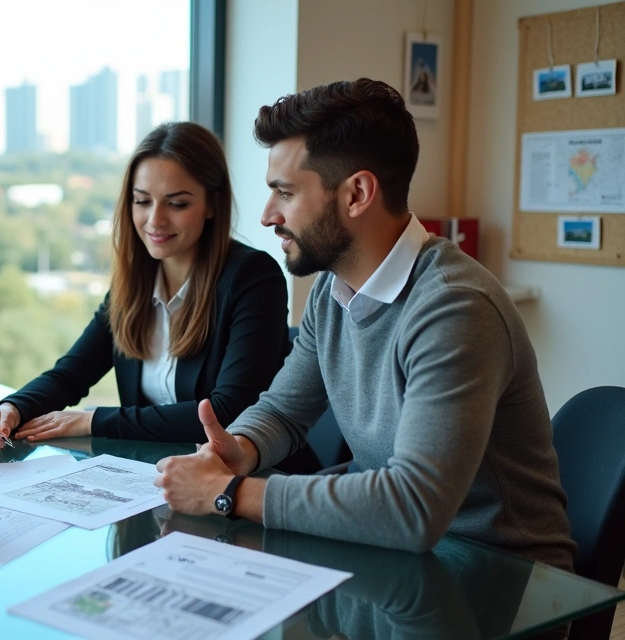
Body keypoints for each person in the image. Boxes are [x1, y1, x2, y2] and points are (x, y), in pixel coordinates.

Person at [154, 79, 576, 570]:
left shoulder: (455, 308)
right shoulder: (334, 293)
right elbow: (285, 412)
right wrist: (238, 450)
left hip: (497, 575)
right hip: (395, 558)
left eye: (285, 193)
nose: (268, 216)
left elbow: (413, 508)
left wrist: (230, 492)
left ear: (357, 193)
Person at [0, 122, 296, 460]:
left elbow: (228, 412)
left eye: (177, 204)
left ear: (212, 204)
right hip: (153, 476)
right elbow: (71, 374)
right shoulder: (136, 282)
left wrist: (94, 420)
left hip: (250, 479)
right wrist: (11, 410)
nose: (155, 220)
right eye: (142, 201)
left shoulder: (253, 278)